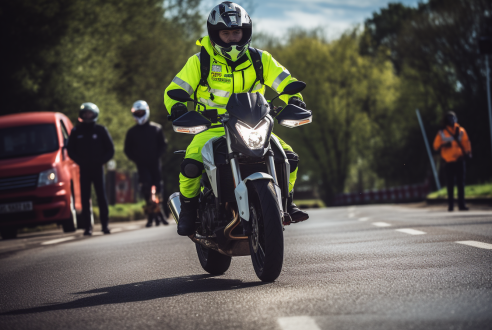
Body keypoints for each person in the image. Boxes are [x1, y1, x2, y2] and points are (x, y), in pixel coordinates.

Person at [164, 1, 309, 236]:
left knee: (290, 158)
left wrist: (295, 99)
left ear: (246, 32)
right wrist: (178, 108)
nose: (232, 38)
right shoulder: (200, 61)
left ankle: (287, 200)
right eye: (226, 32)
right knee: (191, 166)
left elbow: (287, 82)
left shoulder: (261, 59)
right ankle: (189, 210)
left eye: (236, 32)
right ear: (215, 34)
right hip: (213, 127)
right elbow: (174, 91)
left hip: (256, 125)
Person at [67, 103, 115, 235]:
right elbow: (70, 150)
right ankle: (87, 227)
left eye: (90, 113)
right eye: (85, 113)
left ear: (94, 114)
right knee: (85, 198)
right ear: (81, 115)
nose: (87, 115)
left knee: (101, 197)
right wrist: (79, 161)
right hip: (83, 169)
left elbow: (110, 149)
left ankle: (105, 225)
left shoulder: (100, 130)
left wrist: (102, 161)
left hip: (98, 169)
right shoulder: (76, 131)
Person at [124, 100, 169, 227]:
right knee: (146, 190)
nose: (139, 115)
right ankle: (150, 217)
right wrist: (136, 159)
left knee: (159, 190)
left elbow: (163, 145)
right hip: (141, 165)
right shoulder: (132, 132)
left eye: (141, 113)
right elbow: (127, 149)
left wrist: (156, 156)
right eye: (137, 113)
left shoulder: (156, 128)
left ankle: (162, 215)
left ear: (146, 112)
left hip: (155, 164)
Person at [433, 111, 472, 212]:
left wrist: (468, 153)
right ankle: (450, 205)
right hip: (448, 161)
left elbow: (466, 142)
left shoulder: (461, 130)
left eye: (453, 118)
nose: (452, 120)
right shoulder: (441, 132)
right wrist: (444, 145)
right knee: (450, 184)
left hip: (460, 159)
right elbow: (435, 146)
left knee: (461, 183)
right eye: (450, 118)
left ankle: (462, 205)